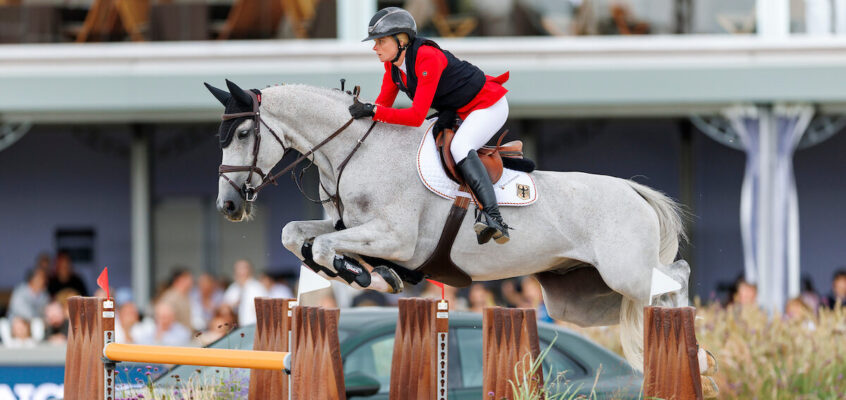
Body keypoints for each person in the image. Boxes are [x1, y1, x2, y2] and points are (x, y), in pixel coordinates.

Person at [350, 7, 511, 245]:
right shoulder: (393, 66)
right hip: (457, 109)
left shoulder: (426, 56)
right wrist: (359, 116)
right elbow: (382, 106)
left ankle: (494, 218)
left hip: (487, 105)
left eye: (381, 41)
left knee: (460, 147)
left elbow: (415, 117)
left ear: (401, 40)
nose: (375, 47)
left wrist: (373, 111)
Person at [222, 260, 267, 326]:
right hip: (236, 328)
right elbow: (224, 308)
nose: (240, 271)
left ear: (250, 270)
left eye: (243, 268)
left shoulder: (258, 288)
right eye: (238, 269)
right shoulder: (233, 288)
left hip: (254, 327)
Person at [157, 268, 195, 333]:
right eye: (188, 278)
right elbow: (164, 321)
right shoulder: (170, 297)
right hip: (175, 338)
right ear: (180, 279)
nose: (191, 281)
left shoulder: (185, 296)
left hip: (186, 336)